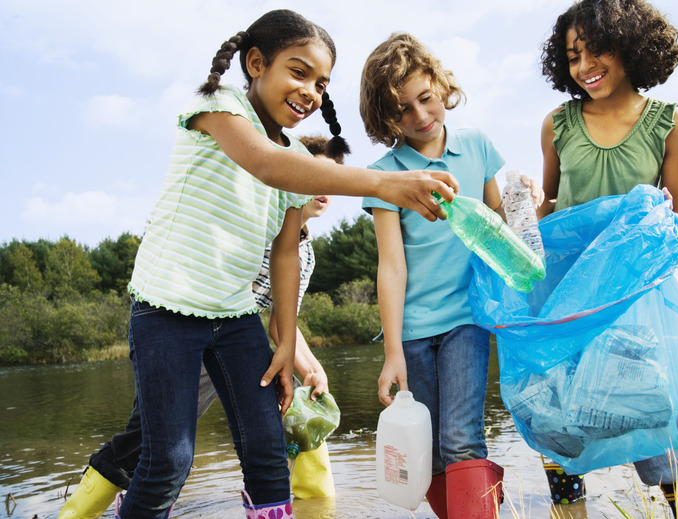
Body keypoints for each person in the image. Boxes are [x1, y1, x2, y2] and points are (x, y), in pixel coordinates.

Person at [83, 10, 458, 519]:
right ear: (256, 63)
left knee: (268, 455)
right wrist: (383, 183)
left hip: (235, 318)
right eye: (299, 72)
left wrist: (285, 344)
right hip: (167, 309)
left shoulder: (291, 154)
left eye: (322, 83)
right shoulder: (217, 104)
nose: (312, 92)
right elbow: (262, 161)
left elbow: (285, 252)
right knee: (168, 459)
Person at [56, 135, 345, 519]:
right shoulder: (259, 220)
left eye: (334, 180)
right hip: (185, 330)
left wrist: (308, 367)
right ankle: (78, 512)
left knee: (262, 443)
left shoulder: (303, 255)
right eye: (316, 174)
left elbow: (280, 321)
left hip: (237, 343)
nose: (324, 189)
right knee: (149, 441)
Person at [359, 33, 541, 519]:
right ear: (384, 118)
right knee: (430, 451)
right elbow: (391, 266)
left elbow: (502, 229)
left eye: (426, 98)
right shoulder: (385, 174)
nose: (419, 116)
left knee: (460, 439)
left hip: (467, 317)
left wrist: (527, 196)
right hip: (414, 331)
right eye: (401, 110)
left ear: (441, 86)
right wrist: (392, 351)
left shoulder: (477, 146)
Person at [536, 1, 678, 518]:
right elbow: (547, 208)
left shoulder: (671, 126)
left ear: (632, 44)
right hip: (563, 295)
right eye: (572, 55)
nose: (584, 65)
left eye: (597, 49)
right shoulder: (557, 124)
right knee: (556, 414)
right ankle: (571, 513)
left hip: (631, 296)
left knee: (652, 412)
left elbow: (672, 221)